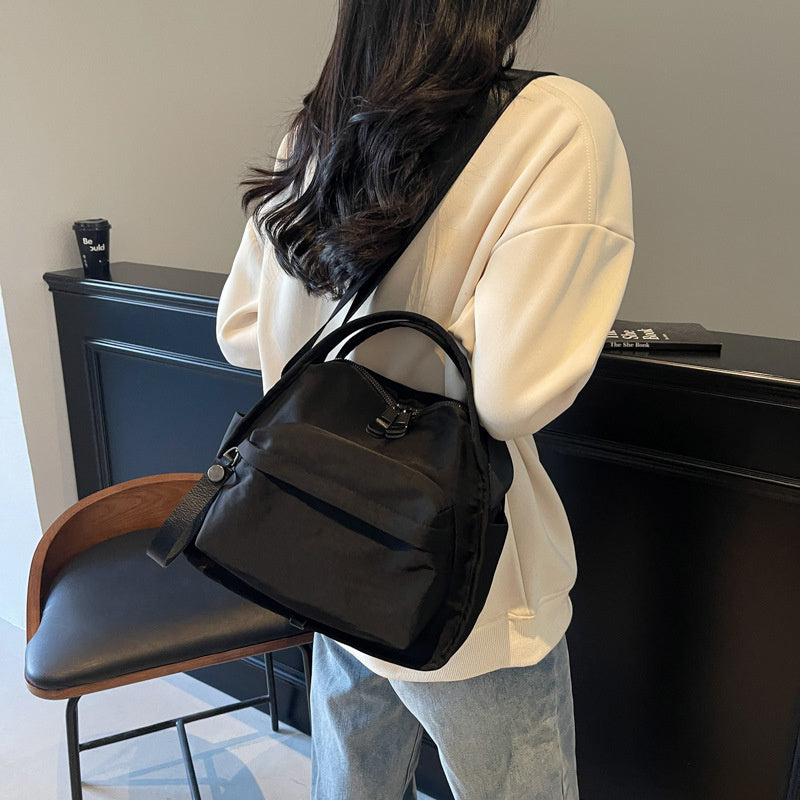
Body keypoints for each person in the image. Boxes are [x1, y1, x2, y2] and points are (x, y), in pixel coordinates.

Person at [216, 1, 634, 797]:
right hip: (462, 580)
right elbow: (513, 396)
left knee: (350, 782)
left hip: (329, 542)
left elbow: (239, 329)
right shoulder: (559, 124)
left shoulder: (317, 127)